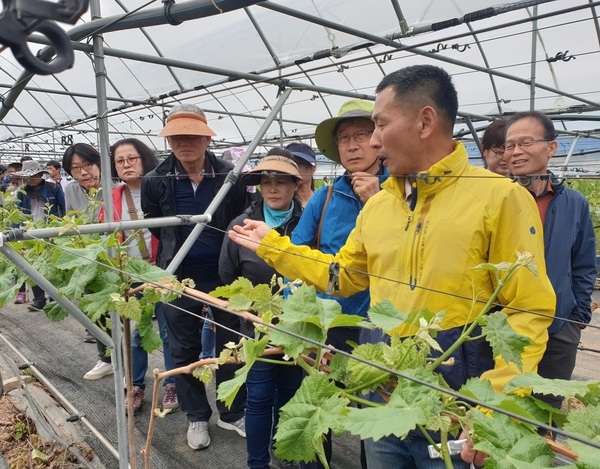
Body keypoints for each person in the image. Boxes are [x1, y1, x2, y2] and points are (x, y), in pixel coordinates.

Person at [228, 64, 556, 469]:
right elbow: (343, 276)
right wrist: (275, 248)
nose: (375, 141)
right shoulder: (381, 204)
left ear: (425, 121)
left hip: (455, 392)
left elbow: (528, 309)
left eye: (380, 125)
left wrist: (493, 410)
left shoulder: (499, 197)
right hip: (381, 383)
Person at [141, 103, 251, 450]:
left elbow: (238, 218)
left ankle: (230, 412)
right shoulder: (155, 180)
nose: (184, 142)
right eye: (176, 136)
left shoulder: (229, 176)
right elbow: (154, 220)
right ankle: (196, 415)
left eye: (192, 135)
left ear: (206, 138)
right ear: (169, 140)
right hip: (178, 275)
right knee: (183, 345)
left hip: (224, 274)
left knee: (230, 342)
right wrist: (177, 253)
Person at [292, 99, 388, 469]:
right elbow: (298, 252)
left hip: (380, 324)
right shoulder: (326, 195)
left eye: (361, 135)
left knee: (374, 411)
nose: (351, 145)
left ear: (380, 139)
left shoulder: (399, 194)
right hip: (329, 320)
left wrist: (375, 202)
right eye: (344, 138)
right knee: (320, 403)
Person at [504, 111, 596, 409]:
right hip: (506, 327)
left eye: (525, 142)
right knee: (502, 410)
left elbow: (582, 264)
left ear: (551, 148)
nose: (516, 151)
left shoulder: (573, 203)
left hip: (559, 328)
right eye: (509, 145)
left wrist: (578, 317)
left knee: (546, 411)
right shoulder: (498, 198)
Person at [219, 154, 304, 469]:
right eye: (266, 181)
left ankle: (282, 451)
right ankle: (257, 463)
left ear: (296, 185)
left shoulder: (308, 222)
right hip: (258, 327)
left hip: (299, 329)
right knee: (258, 398)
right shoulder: (241, 226)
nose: (273, 188)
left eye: (281, 181)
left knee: (289, 395)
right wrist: (250, 310)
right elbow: (227, 275)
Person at [102, 138, 179, 413]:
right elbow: (104, 234)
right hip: (128, 274)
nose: (126, 164)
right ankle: (135, 386)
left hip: (161, 270)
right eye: (120, 161)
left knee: (170, 332)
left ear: (144, 159)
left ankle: (172, 384)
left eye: (131, 158)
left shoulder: (161, 187)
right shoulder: (111, 197)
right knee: (134, 333)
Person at [62, 143, 105, 345]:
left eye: (87, 165)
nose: (83, 172)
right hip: (86, 253)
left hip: (113, 253)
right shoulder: (71, 190)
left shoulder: (115, 187)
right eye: (75, 168)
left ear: (99, 163)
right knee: (89, 294)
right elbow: (70, 219)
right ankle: (98, 339)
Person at [14, 160, 65, 312]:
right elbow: (17, 214)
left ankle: (56, 297)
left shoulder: (54, 188)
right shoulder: (22, 192)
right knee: (34, 265)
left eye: (34, 176)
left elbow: (63, 208)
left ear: (40, 175)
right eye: (29, 177)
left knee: (52, 265)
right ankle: (39, 299)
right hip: (30, 231)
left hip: (50, 229)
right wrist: (17, 234)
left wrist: (62, 228)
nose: (31, 180)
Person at [285, 143, 316, 207]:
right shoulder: (283, 204)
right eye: (290, 164)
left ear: (313, 168)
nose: (294, 168)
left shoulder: (322, 201)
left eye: (299, 163)